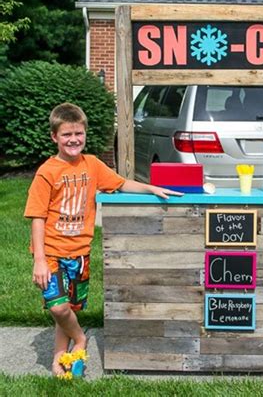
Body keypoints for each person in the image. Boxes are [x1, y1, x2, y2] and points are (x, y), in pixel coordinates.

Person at [24, 103, 183, 377]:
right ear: (54, 137)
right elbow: (37, 216)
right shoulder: (47, 172)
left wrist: (150, 188)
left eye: (78, 133)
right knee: (59, 308)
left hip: (80, 254)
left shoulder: (92, 164)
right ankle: (82, 339)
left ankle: (59, 359)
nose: (73, 140)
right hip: (51, 253)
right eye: (66, 135)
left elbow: (120, 183)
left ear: (85, 133)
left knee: (69, 308)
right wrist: (39, 259)